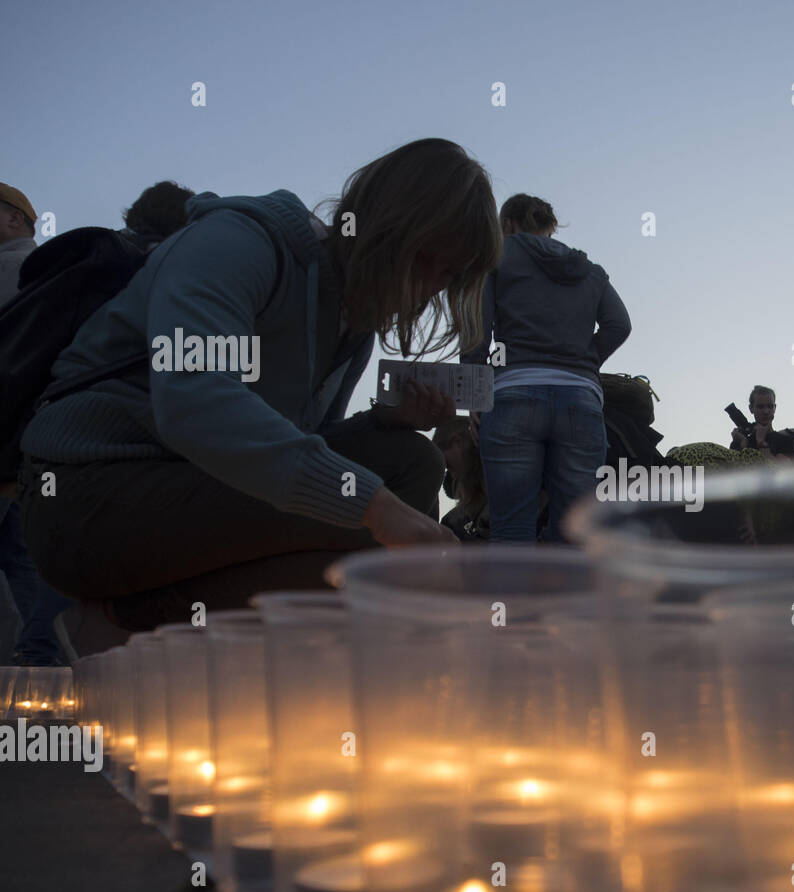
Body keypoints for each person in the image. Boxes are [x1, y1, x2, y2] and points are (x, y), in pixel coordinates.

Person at [19, 139, 499, 644]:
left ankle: (349, 654)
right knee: (373, 532)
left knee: (411, 459)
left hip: (195, 490)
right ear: (387, 225)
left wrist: (381, 423)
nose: (428, 291)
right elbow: (195, 399)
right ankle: (127, 621)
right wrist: (378, 508)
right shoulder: (239, 241)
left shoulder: (353, 320)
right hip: (85, 495)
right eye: (428, 261)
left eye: (449, 277)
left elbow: (301, 442)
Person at [462, 194, 630, 542]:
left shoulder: (496, 259)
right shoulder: (589, 271)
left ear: (506, 225)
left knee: (510, 527)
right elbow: (619, 325)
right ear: (549, 228)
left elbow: (477, 331)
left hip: (512, 395)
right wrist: (582, 361)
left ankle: (508, 599)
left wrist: (475, 396)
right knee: (576, 531)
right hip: (581, 403)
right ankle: (569, 597)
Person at [0, 182, 64, 664]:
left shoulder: (13, 269)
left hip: (7, 439)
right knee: (24, 562)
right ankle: (44, 674)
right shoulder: (52, 271)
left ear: (13, 219)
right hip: (32, 446)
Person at [435, 417, 490, 542]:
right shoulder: (453, 522)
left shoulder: (453, 524)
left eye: (448, 465)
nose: (452, 476)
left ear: (457, 441)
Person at [728, 385, 794, 457]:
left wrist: (761, 442)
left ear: (775, 408)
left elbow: (782, 467)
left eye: (770, 406)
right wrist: (743, 444)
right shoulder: (740, 441)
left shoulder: (787, 440)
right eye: (760, 407)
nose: (766, 412)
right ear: (751, 408)